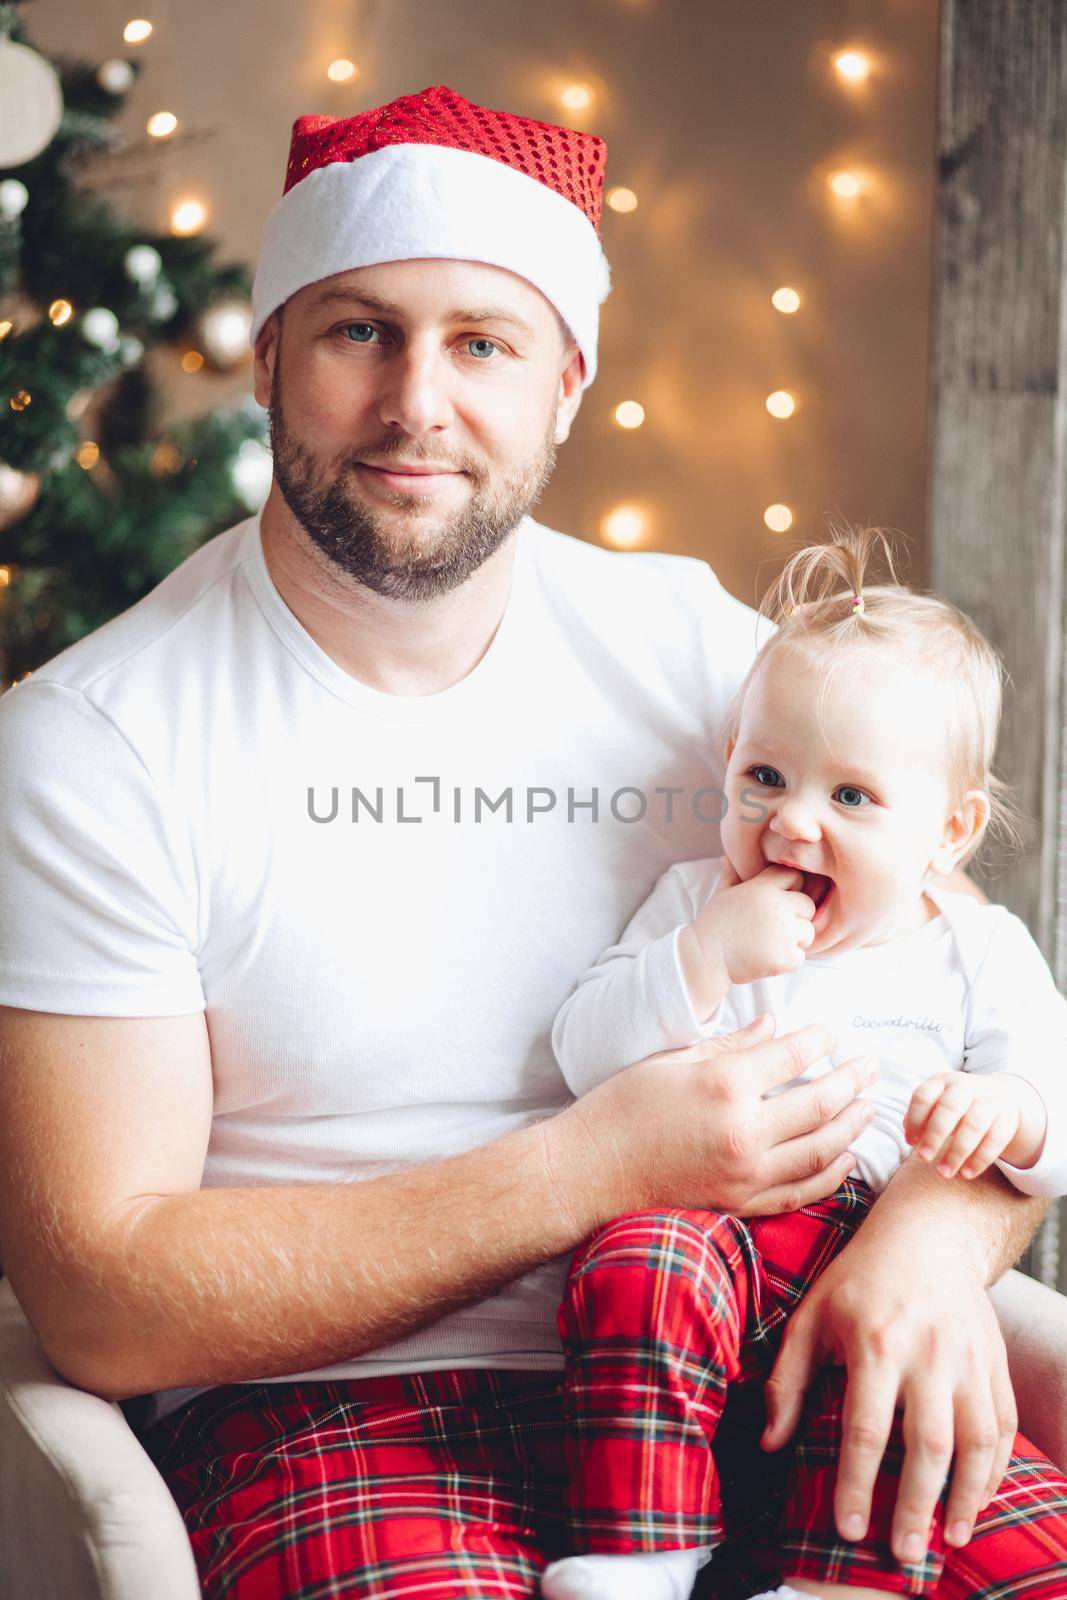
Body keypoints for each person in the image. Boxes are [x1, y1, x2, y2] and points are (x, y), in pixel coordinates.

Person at [0, 86, 1053, 1600]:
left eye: (480, 342)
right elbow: (100, 1296)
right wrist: (591, 1165)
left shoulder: (694, 653)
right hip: (337, 1417)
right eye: (358, 330)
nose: (418, 402)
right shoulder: (92, 744)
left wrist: (927, 1249)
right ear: (272, 359)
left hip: (754, 1351)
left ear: (565, 380)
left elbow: (944, 961)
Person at [542, 525, 1067, 1600]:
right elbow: (581, 1054)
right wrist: (697, 960)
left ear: (947, 831)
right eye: (765, 775)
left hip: (861, 1246)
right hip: (710, 1236)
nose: (788, 821)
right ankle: (639, 1556)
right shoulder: (697, 903)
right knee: (638, 1261)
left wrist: (1004, 1109)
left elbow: (1055, 1123)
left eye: (850, 798)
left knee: (895, 1373)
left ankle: (836, 1582)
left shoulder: (974, 951)